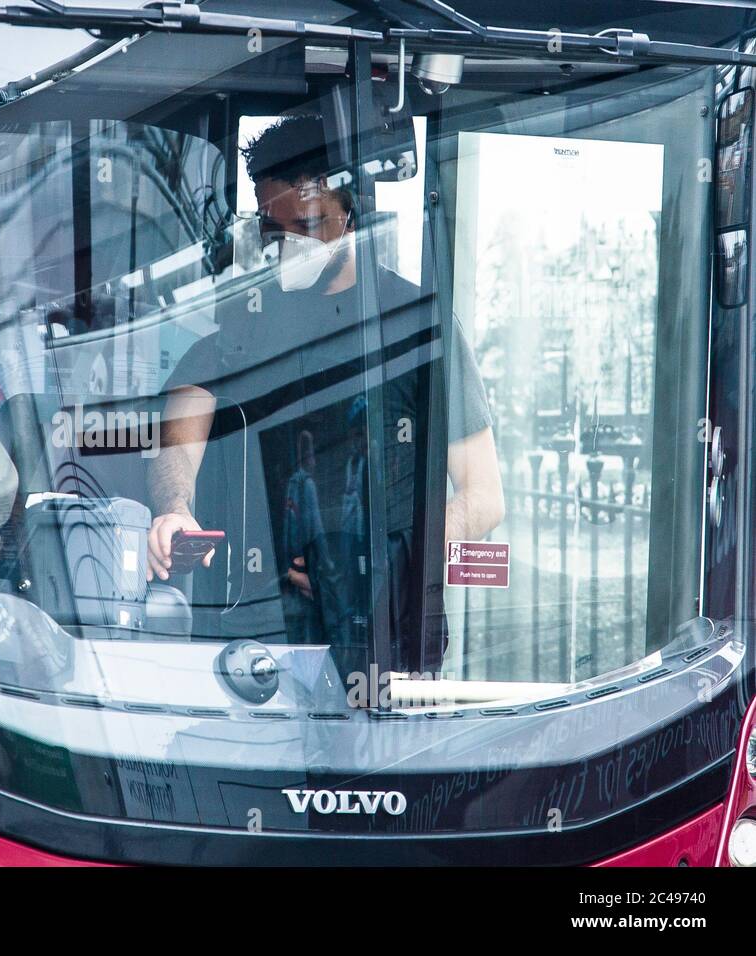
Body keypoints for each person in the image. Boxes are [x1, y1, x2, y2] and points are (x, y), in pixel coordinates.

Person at [145, 115, 504, 674]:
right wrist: (174, 510)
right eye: (275, 230)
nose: (290, 245)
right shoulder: (247, 322)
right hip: (258, 643)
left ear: (352, 214)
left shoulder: (418, 324)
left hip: (390, 640)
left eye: (308, 226)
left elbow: (483, 497)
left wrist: (375, 562)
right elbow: (182, 431)